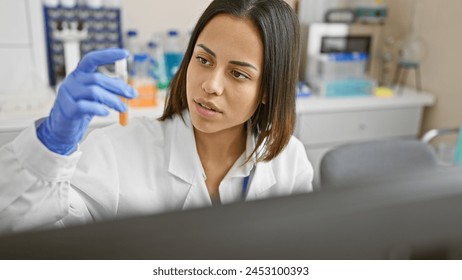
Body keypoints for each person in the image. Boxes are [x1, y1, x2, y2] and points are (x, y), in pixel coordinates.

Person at [0, 0, 313, 234]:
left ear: (269, 89)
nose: (210, 85)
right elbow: (27, 233)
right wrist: (50, 146)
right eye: (203, 59)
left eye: (238, 74)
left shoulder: (289, 161)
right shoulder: (115, 150)